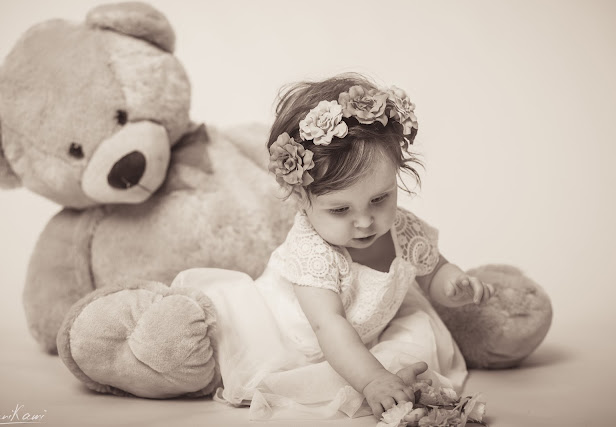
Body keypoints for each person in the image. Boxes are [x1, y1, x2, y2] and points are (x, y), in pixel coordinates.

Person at [172, 73, 494, 421]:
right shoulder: (312, 251)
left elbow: (433, 272)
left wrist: (453, 284)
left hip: (364, 341)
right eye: (341, 210)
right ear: (300, 197)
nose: (365, 221)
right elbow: (329, 325)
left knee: (414, 344)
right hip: (295, 339)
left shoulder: (404, 230)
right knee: (208, 343)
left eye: (380, 199)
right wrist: (372, 379)